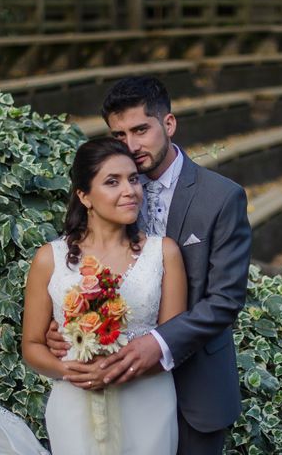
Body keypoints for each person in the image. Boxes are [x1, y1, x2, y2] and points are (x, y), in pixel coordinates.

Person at [46, 76, 252, 454]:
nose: (131, 145)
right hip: (113, 391)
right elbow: (78, 266)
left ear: (168, 124)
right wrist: (65, 328)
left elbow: (224, 300)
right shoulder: (110, 190)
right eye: (119, 134)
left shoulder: (221, 198)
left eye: (141, 129)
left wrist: (157, 344)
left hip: (196, 389)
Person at [22, 138, 188, 455]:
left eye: (133, 179)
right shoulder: (50, 258)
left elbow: (175, 340)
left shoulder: (164, 253)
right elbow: (31, 345)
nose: (130, 191)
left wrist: (122, 369)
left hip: (148, 399)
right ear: (84, 196)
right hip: (76, 402)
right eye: (112, 182)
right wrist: (71, 369)